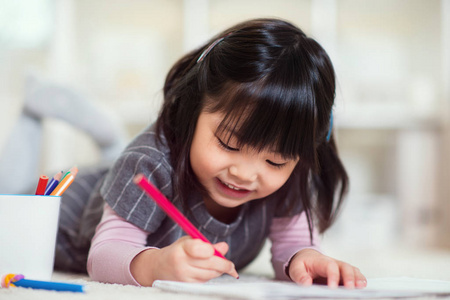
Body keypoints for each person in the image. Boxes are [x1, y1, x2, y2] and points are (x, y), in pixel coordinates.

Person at [53, 18, 367, 288]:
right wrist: (155, 266)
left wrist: (307, 258)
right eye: (229, 144)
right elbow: (105, 253)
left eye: (275, 161)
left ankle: (108, 139)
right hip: (60, 214)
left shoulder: (293, 173)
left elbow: (293, 245)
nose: (244, 173)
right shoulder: (149, 162)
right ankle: (48, 116)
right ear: (193, 108)